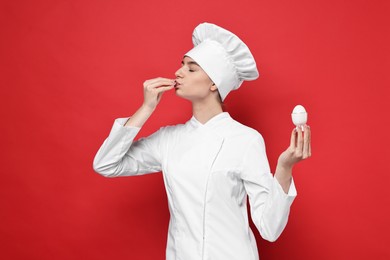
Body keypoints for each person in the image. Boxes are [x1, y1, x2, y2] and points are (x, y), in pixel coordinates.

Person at [93, 22, 311, 260]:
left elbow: (270, 229)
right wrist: (146, 108)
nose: (178, 72)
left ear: (214, 83)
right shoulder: (168, 139)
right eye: (181, 65)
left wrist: (284, 168)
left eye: (191, 68)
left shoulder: (246, 140)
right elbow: (106, 164)